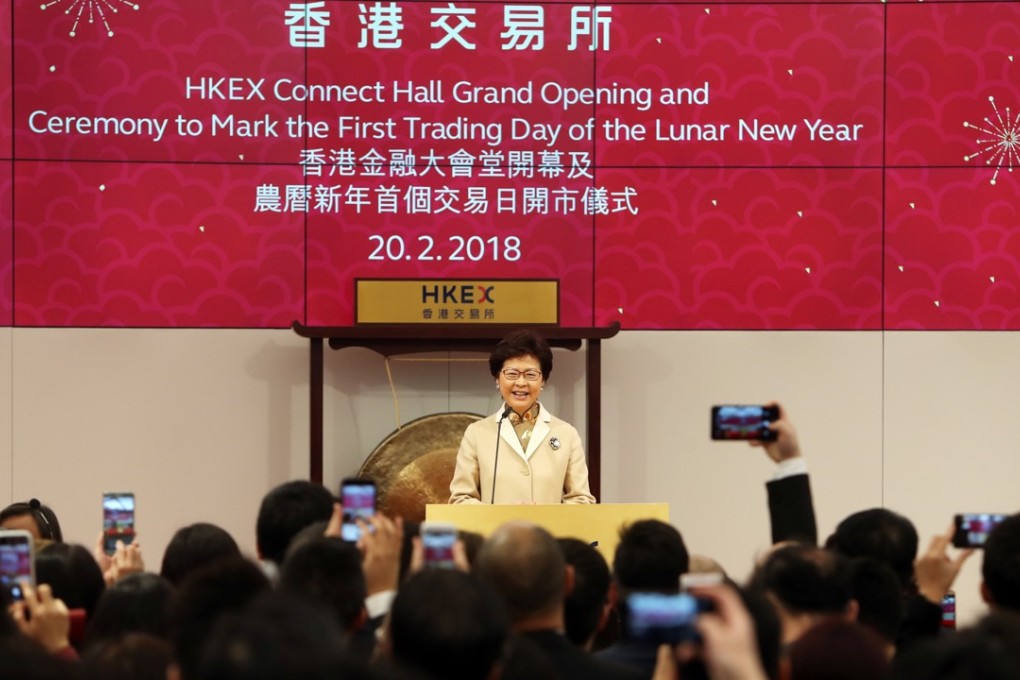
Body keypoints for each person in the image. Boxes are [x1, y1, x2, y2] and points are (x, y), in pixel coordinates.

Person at [449, 329, 595, 505]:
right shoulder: (476, 433)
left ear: (543, 381)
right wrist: (502, 516)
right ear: (497, 379)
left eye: (531, 375)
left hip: (548, 532)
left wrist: (546, 517)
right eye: (511, 374)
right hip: (496, 531)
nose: (520, 383)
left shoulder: (566, 434)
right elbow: (461, 499)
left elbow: (581, 499)